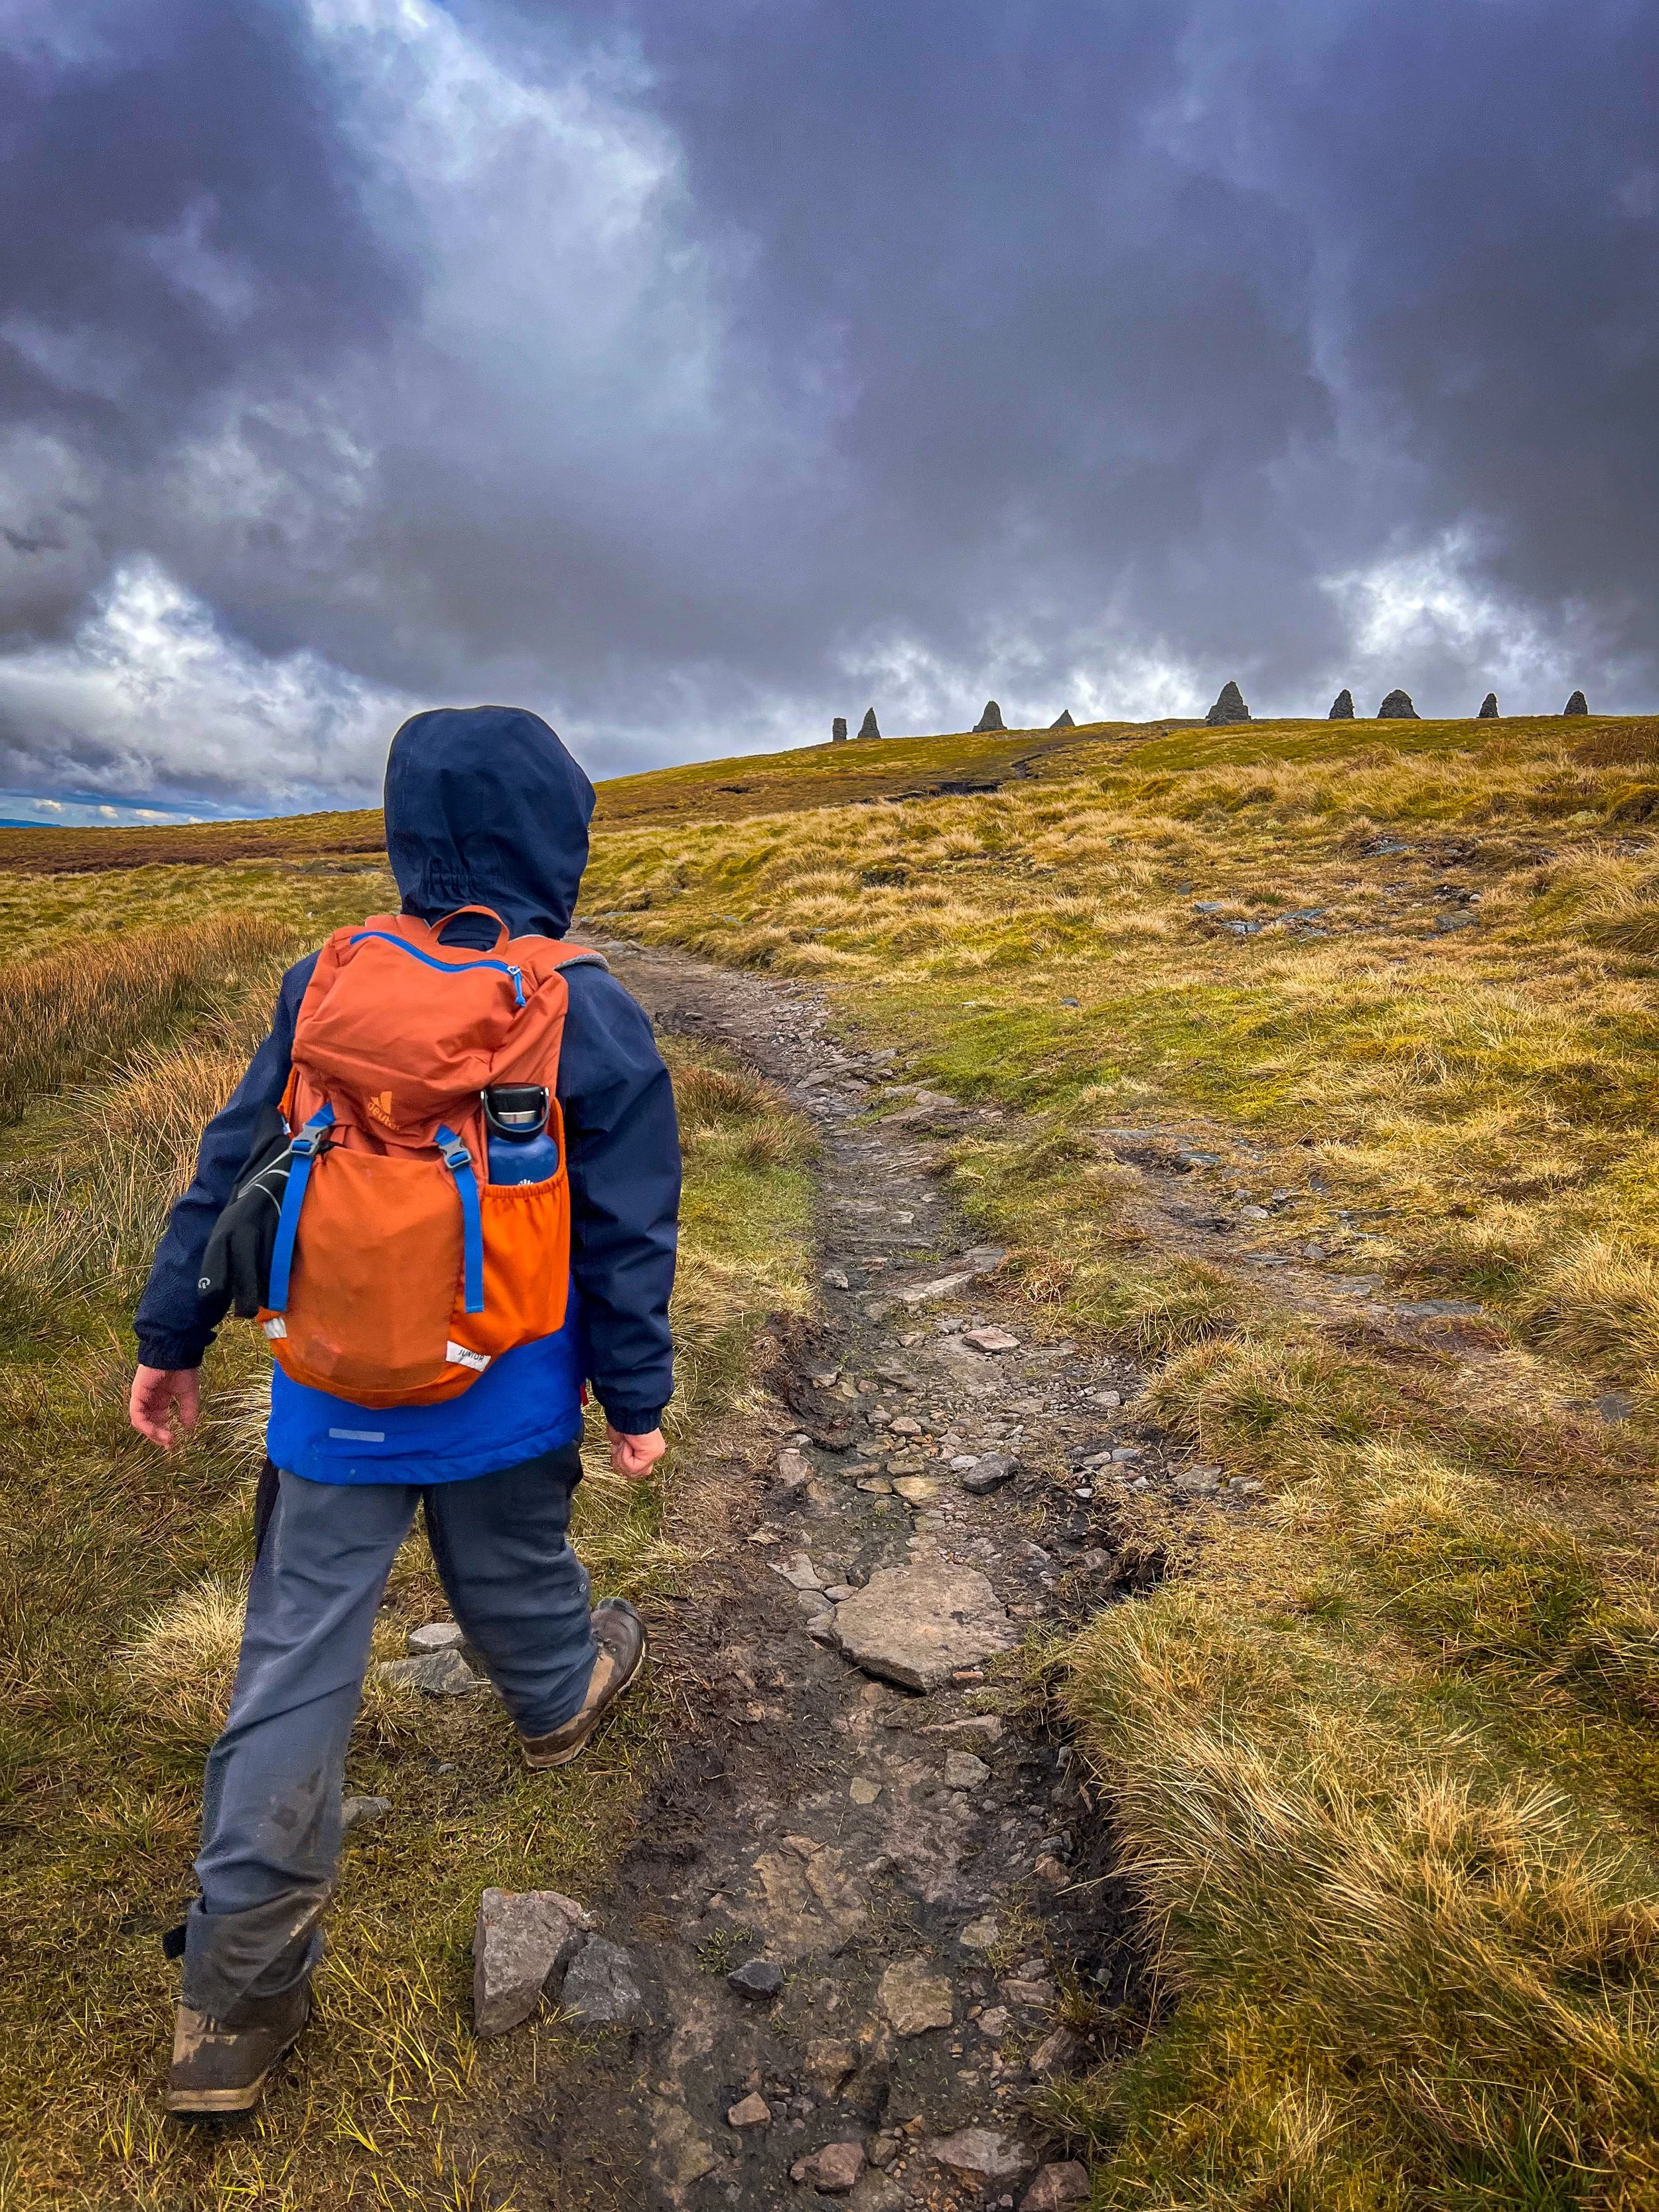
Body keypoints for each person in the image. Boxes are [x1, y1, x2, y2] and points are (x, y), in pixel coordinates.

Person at [129, 705, 680, 2118]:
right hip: (503, 1380)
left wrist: (171, 1333)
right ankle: (560, 1697)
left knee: (293, 1666)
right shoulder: (584, 1001)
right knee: (510, 1563)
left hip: (326, 1393)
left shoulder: (328, 977)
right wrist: (636, 1399)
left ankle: (232, 2009)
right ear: (559, 832)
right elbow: (627, 1230)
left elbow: (233, 1164)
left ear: (403, 831)